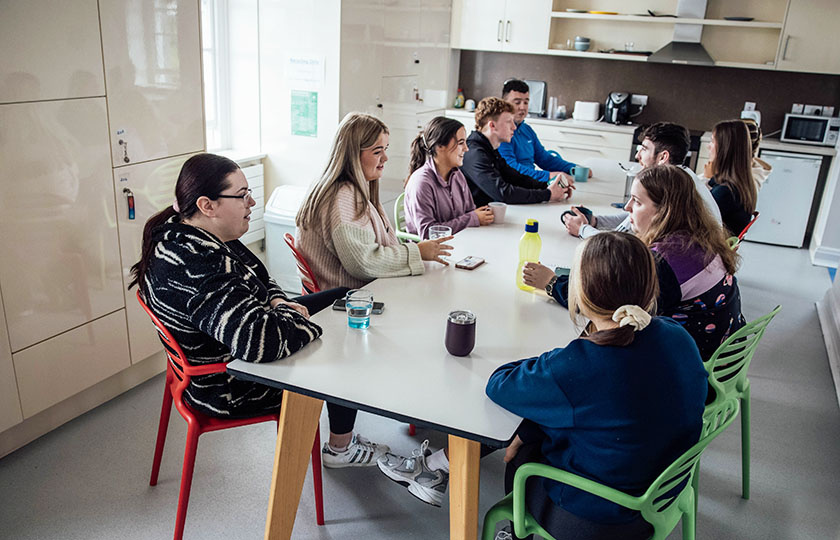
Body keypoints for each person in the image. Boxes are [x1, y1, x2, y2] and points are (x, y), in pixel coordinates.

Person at [129, 153, 388, 469]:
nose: (251, 202)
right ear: (206, 205)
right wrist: (294, 316)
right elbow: (258, 342)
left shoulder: (195, 231)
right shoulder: (198, 265)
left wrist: (279, 303)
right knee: (342, 347)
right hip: (230, 384)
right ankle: (339, 450)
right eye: (241, 196)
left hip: (241, 337)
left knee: (346, 299)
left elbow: (261, 276)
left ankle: (341, 439)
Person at [487, 231, 708, 540]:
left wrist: (560, 356)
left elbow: (500, 383)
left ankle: (515, 532)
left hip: (599, 521)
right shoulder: (676, 335)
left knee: (523, 456)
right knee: (534, 430)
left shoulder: (580, 364)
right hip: (662, 496)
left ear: (582, 292)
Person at [529, 165, 744, 360]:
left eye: (638, 202)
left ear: (665, 211)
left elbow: (607, 305)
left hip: (690, 369)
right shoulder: (697, 238)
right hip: (722, 352)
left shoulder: (663, 262)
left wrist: (551, 283)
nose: (628, 208)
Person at [295, 112, 453, 291]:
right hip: (345, 301)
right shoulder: (343, 198)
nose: (385, 158)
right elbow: (364, 263)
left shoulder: (348, 188)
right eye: (377, 151)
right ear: (353, 154)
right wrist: (417, 251)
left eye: (386, 149)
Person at [563, 122, 721, 239]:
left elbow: (617, 244)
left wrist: (582, 229)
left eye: (644, 149)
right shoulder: (685, 177)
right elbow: (630, 220)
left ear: (663, 157)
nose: (638, 156)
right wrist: (595, 221)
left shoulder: (669, 188)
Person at [460, 97, 572, 207]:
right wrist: (548, 194)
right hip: (474, 220)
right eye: (509, 122)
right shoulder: (475, 153)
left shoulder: (489, 149)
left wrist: (549, 186)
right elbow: (503, 193)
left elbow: (516, 178)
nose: (514, 127)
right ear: (492, 125)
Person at [403, 116, 494, 239]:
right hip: (432, 254)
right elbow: (428, 234)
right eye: (461, 143)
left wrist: (480, 216)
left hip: (458, 243)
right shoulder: (421, 183)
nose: (466, 149)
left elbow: (470, 212)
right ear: (440, 146)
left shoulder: (457, 175)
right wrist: (472, 218)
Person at [497, 79, 586, 184]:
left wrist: (573, 169)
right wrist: (548, 176)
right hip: (516, 185)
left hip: (530, 182)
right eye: (517, 102)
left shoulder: (527, 130)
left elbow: (544, 159)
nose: (523, 107)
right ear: (504, 104)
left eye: (526, 102)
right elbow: (511, 169)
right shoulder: (501, 133)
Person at [704, 119, 759, 237]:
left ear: (725, 149)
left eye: (712, 141)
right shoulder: (740, 183)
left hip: (708, 251)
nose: (709, 147)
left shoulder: (726, 192)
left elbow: (692, 223)